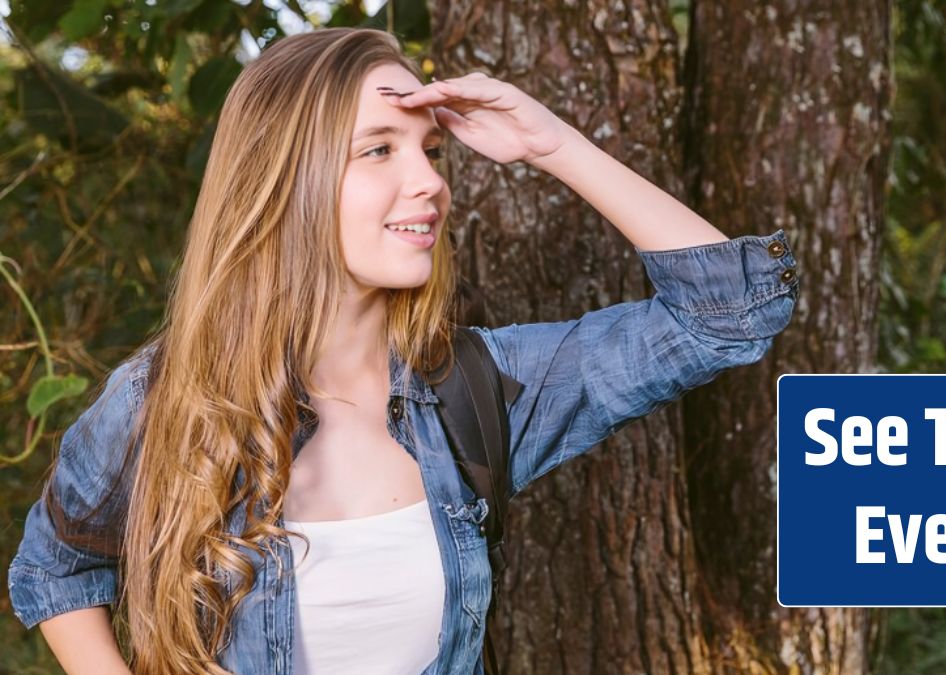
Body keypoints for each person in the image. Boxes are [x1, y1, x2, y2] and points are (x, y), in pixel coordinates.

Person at [6, 27, 799, 675]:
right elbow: (52, 568)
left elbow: (729, 312)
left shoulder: (479, 390)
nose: (430, 182)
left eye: (431, 150)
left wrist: (553, 145)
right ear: (285, 180)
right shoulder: (167, 399)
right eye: (380, 149)